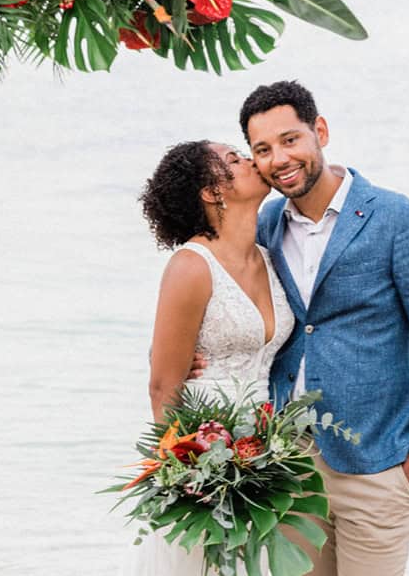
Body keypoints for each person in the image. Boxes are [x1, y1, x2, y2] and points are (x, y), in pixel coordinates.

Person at [196, 80, 409, 575]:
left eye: (290, 139)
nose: (279, 158)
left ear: (319, 130)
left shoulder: (398, 219)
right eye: (263, 149)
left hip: (379, 464)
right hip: (288, 464)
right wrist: (200, 354)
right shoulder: (266, 226)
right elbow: (229, 301)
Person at [124, 139, 293, 575]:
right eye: (234, 160)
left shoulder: (272, 258)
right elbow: (163, 384)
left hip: (261, 458)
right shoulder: (191, 266)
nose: (252, 161)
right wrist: (186, 477)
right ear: (211, 191)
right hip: (203, 459)